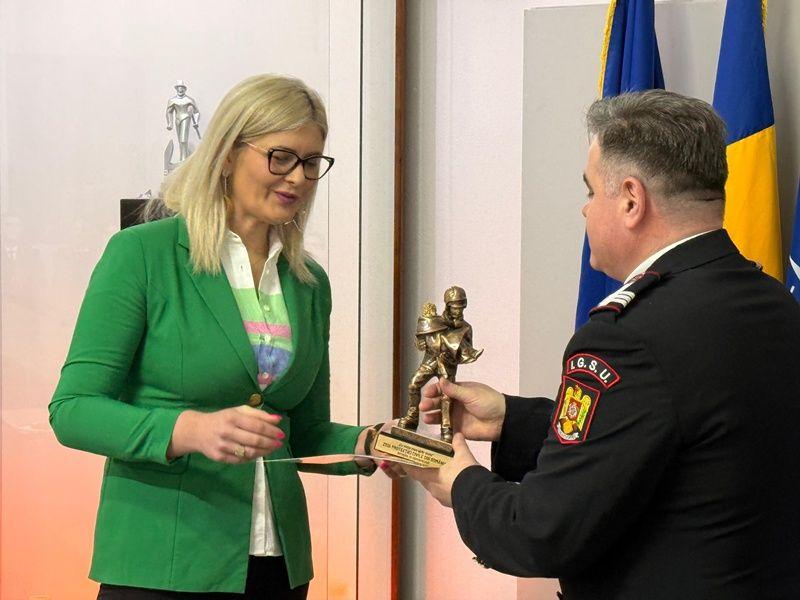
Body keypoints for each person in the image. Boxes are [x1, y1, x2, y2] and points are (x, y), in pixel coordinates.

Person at [404, 89, 800, 599]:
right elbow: (678, 443)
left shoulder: (627, 335)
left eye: (591, 191)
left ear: (632, 200)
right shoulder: (774, 302)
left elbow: (541, 534)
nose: (585, 209)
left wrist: (458, 479)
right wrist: (510, 419)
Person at [50, 74, 379, 599]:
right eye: (281, 157)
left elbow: (303, 431)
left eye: (311, 161)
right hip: (160, 565)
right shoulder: (142, 254)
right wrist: (189, 430)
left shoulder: (309, 284)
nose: (298, 177)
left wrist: (373, 444)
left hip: (278, 569)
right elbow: (73, 410)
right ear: (227, 154)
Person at [398, 287, 482, 442]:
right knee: (413, 385)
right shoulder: (435, 321)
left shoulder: (466, 328)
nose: (458, 311)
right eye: (455, 308)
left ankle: (446, 428)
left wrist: (452, 355)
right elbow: (421, 340)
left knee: (447, 396)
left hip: (447, 365)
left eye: (461, 307)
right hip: (430, 361)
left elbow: (465, 352)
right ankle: (412, 418)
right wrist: (421, 342)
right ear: (448, 306)